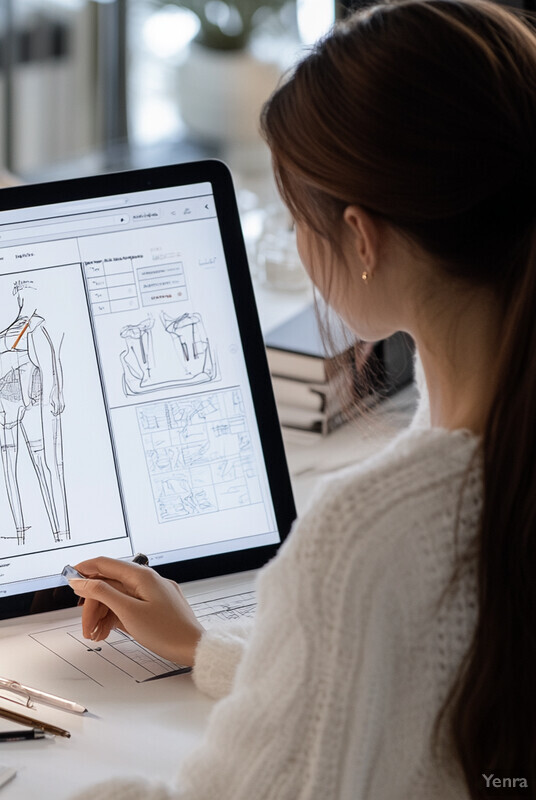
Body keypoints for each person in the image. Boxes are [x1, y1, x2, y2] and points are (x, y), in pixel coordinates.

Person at [67, 1, 536, 797]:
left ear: (360, 237)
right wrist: (205, 645)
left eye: (296, 218)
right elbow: (394, 684)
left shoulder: (366, 539)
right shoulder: (493, 444)